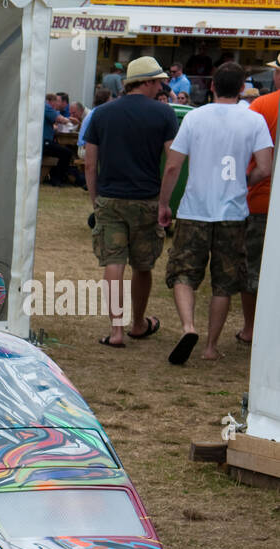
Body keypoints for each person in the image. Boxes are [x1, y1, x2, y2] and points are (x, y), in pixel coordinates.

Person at [158, 62, 273, 363]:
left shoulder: (194, 118)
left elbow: (173, 166)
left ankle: (187, 326)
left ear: (211, 86)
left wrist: (164, 203)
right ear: (241, 89)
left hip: (195, 209)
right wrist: (243, 182)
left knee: (183, 272)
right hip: (232, 213)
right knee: (224, 282)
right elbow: (265, 167)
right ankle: (210, 347)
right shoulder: (254, 120)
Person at [86, 56, 179, 349]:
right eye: (159, 82)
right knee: (142, 265)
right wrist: (164, 200)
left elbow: (90, 164)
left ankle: (116, 331)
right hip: (146, 198)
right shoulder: (164, 115)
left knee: (113, 262)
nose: (161, 86)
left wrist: (95, 199)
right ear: (148, 82)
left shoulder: (101, 113)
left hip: (110, 198)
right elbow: (172, 162)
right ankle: (138, 324)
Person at [240, 56, 279, 347]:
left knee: (253, 268)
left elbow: (244, 152)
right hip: (263, 201)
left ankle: (251, 329)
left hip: (261, 202)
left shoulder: (261, 106)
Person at [42, 94, 74, 187]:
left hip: (43, 142)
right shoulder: (46, 107)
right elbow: (59, 119)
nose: (56, 106)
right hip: (44, 142)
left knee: (62, 151)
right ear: (51, 101)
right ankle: (57, 179)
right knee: (67, 153)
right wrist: (69, 122)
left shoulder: (42, 107)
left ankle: (55, 177)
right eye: (56, 102)